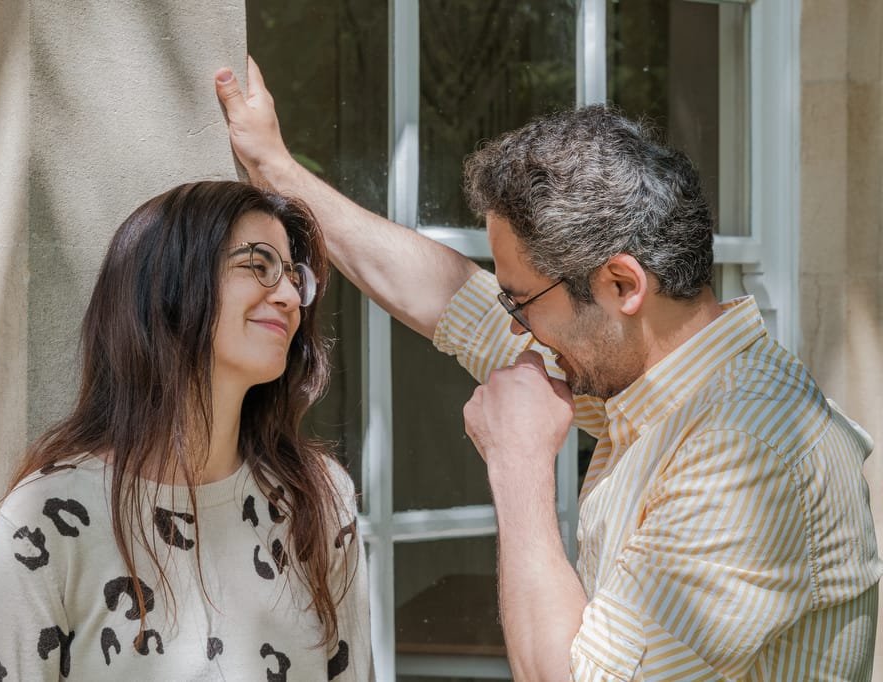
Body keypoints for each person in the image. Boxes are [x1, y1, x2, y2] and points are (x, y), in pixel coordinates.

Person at [215, 60, 882, 679]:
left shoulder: (748, 453)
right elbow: (453, 300)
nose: (511, 322)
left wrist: (519, 464)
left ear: (622, 285)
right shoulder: (653, 380)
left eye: (523, 300)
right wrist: (274, 167)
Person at [0, 181, 371, 681]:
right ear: (169, 286)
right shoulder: (49, 514)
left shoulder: (321, 499)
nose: (289, 296)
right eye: (257, 265)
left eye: (292, 275)